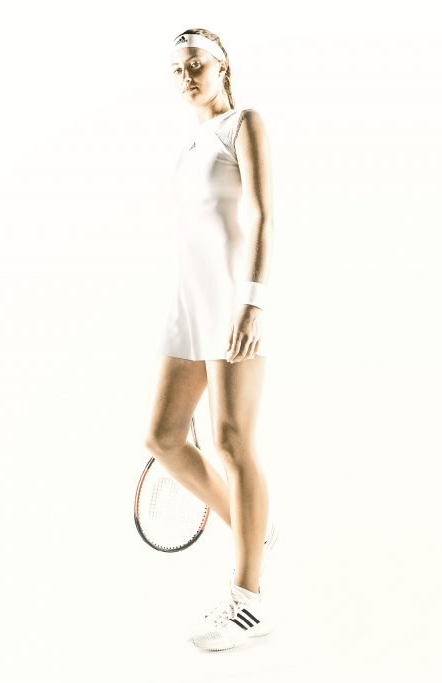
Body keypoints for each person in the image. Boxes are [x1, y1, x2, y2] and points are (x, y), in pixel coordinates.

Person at [145, 28, 278, 652]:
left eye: (196, 65)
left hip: (231, 300)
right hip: (188, 303)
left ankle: (248, 602)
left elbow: (262, 215)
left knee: (230, 441)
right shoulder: (189, 145)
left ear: (223, 67)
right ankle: (255, 528)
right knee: (163, 437)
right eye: (178, 69)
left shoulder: (242, 124)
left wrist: (252, 302)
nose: (187, 77)